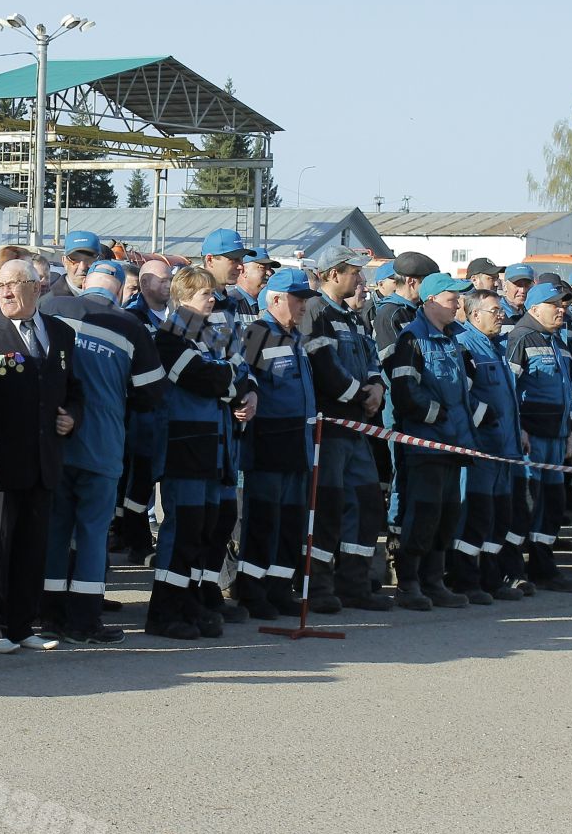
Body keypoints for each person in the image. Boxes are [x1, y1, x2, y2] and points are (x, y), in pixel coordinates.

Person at [40, 259, 163, 642]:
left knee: (56, 530)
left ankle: (50, 615)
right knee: (93, 533)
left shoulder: (51, 307)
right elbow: (151, 394)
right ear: (120, 291)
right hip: (102, 444)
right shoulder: (131, 326)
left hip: (55, 442)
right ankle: (84, 621)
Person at [0, 257, 79, 653]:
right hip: (2, 461)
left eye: (14, 284)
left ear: (37, 288)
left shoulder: (61, 333)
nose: (5, 292)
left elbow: (73, 388)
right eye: (0, 284)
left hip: (44, 460)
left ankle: (21, 625)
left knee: (33, 547)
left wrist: (72, 416)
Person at [147, 268, 250, 639]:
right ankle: (163, 611)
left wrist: (230, 379)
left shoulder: (210, 334)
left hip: (213, 447)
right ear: (184, 295)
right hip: (185, 447)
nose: (212, 300)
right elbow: (207, 378)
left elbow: (239, 371)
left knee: (205, 528)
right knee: (182, 531)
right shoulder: (169, 336)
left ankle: (190, 601)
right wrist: (229, 378)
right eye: (206, 293)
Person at [299, 245, 390, 611]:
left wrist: (377, 388)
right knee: (327, 507)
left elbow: (371, 359)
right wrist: (360, 396)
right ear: (334, 274)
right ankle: (319, 586)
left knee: (367, 503)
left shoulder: (352, 316)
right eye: (354, 271)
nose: (361, 278)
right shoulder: (315, 311)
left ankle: (355, 583)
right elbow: (325, 367)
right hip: (330, 428)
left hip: (357, 427)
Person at [384, 272, 477, 611]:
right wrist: (438, 416)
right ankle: (409, 583)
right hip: (427, 445)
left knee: (447, 514)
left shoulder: (453, 338)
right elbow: (405, 392)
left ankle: (434, 581)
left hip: (454, 443)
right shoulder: (412, 338)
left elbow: (463, 386)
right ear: (433, 300)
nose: (458, 304)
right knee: (423, 513)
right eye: (453, 298)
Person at [234, 267, 318, 618]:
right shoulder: (258, 333)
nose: (304, 306)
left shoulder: (296, 337)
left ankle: (279, 588)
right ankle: (252, 591)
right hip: (268, 444)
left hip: (297, 443)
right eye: (299, 299)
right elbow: (244, 379)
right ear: (277, 299)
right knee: (263, 521)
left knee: (290, 522)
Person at [505, 281, 572, 593]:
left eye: (563, 305)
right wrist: (519, 427)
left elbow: (568, 393)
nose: (561, 310)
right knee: (526, 504)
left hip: (556, 438)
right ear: (535, 309)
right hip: (531, 438)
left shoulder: (558, 342)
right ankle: (511, 569)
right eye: (554, 305)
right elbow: (508, 389)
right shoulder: (520, 338)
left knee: (552, 504)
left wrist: (571, 432)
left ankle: (543, 567)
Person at [454, 291, 524, 603]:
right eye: (494, 311)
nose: (501, 316)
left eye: (500, 311)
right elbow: (461, 394)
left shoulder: (496, 347)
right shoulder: (466, 346)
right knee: (477, 515)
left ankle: (491, 578)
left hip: (504, 449)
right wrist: (485, 416)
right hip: (481, 450)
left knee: (499, 515)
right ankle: (466, 580)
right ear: (474, 314)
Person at [117, 258, 175, 563]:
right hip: (142, 415)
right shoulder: (131, 317)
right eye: (162, 280)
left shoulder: (179, 315)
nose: (168, 285)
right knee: (138, 483)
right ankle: (135, 541)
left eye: (170, 279)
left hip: (172, 413)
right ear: (144, 284)